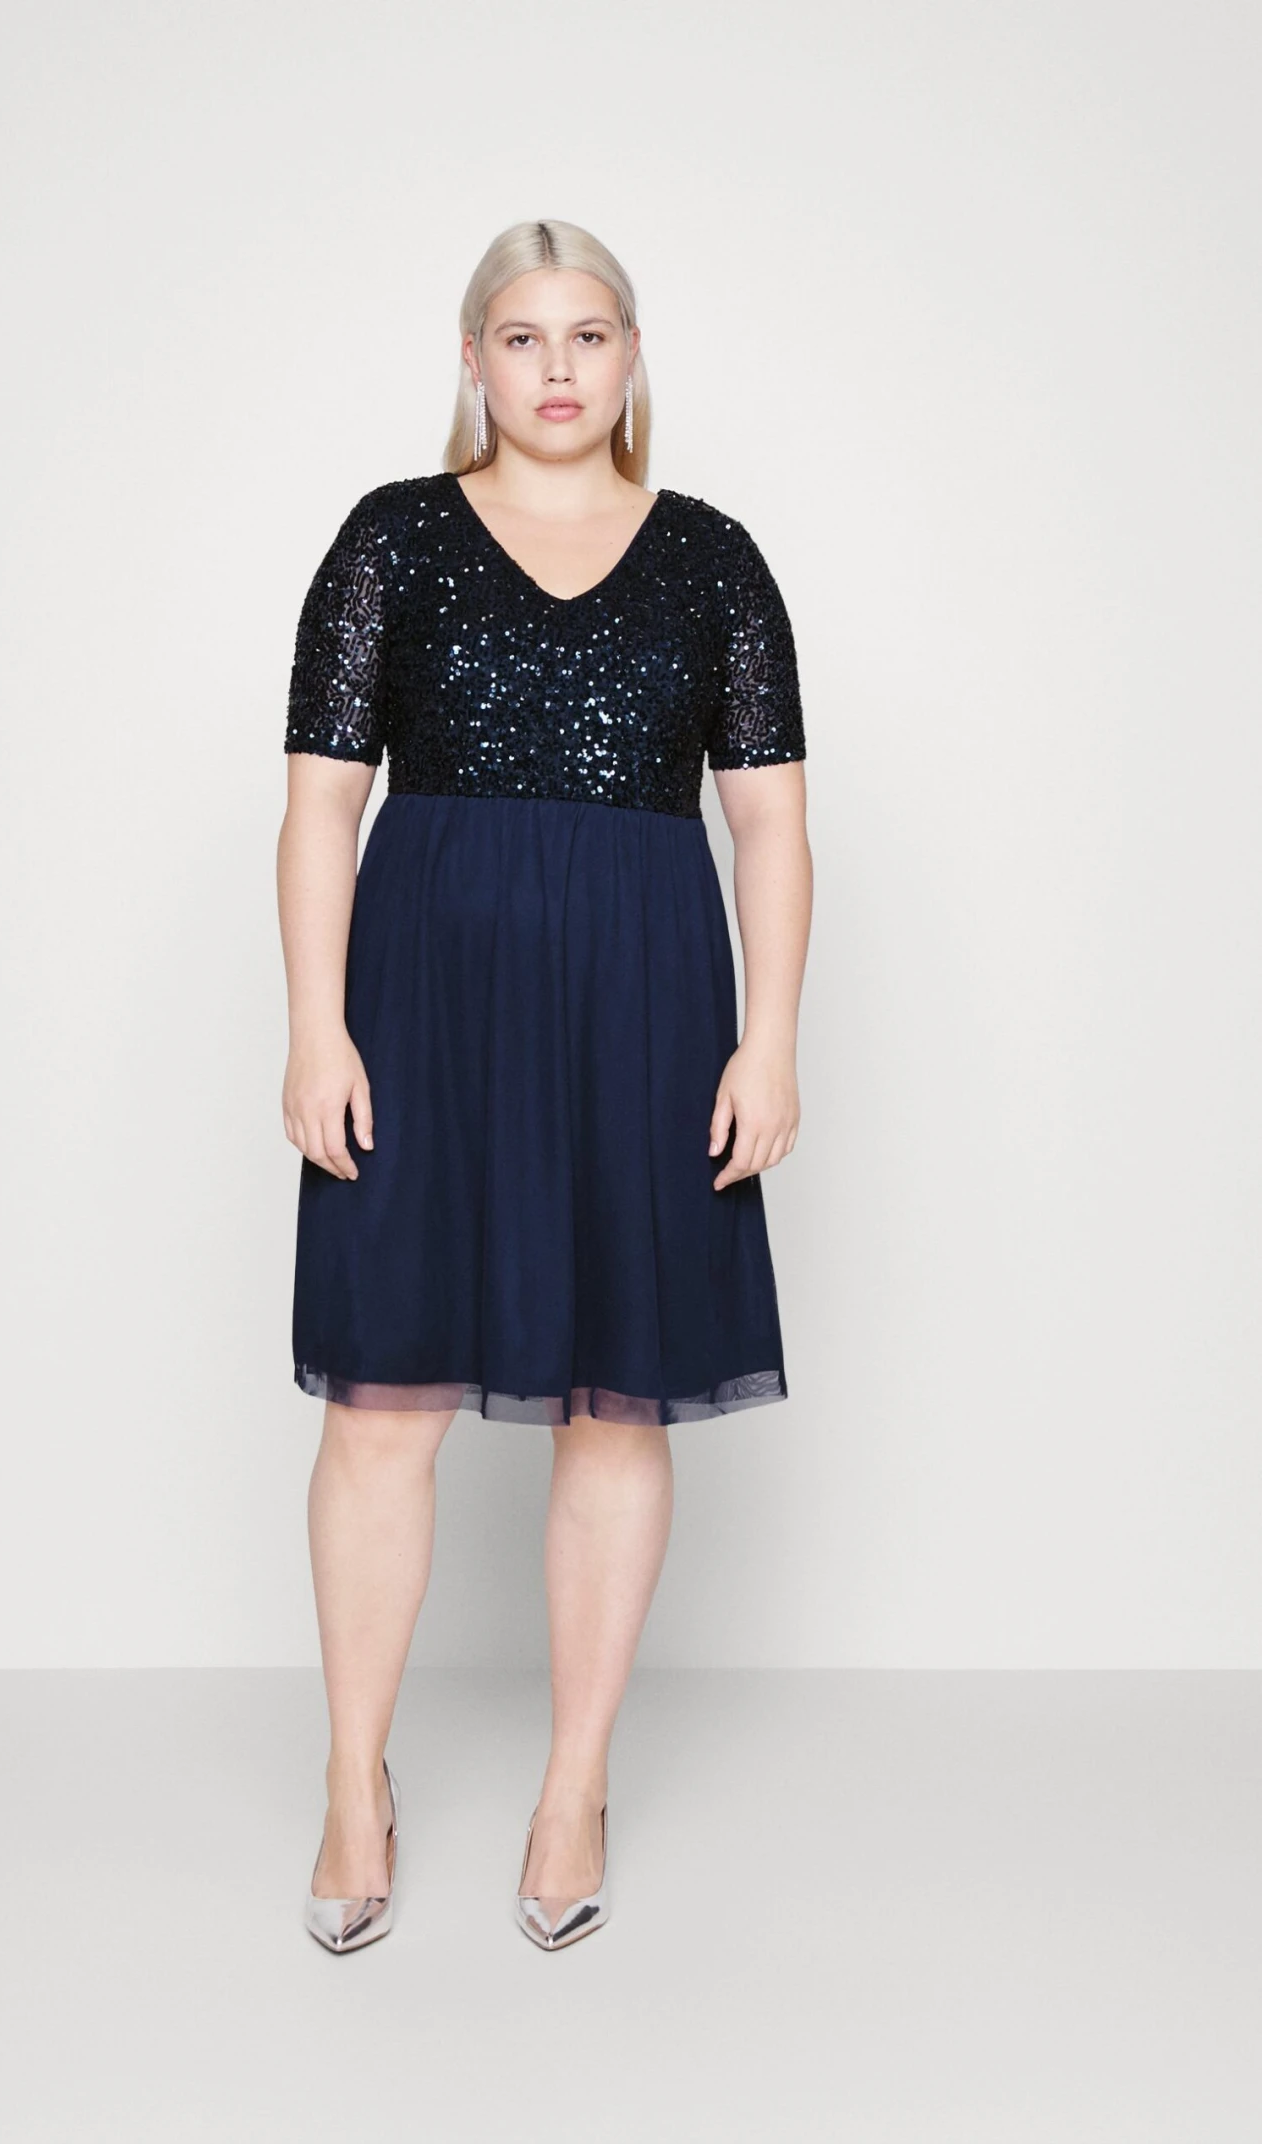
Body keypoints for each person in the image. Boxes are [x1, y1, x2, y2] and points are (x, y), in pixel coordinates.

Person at [276, 218, 812, 1953]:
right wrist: (314, 1025)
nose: (559, 366)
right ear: (474, 360)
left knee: (618, 1401)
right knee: (380, 1402)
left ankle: (574, 1782)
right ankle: (354, 1779)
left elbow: (771, 823)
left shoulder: (714, 559)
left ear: (633, 356)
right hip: (421, 1009)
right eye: (523, 337)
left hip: (646, 1010)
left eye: (590, 334)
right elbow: (319, 803)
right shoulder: (392, 539)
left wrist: (771, 1036)